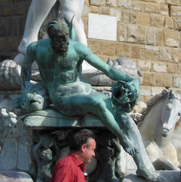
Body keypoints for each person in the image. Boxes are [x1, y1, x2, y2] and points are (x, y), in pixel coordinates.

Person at [20, 18, 156, 181]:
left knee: (122, 114)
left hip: (84, 90)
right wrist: (26, 90)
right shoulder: (36, 49)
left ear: (69, 34)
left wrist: (130, 80)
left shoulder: (77, 49)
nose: (61, 42)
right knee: (97, 103)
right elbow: (25, 69)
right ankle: (123, 139)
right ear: (50, 37)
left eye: (64, 38)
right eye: (57, 38)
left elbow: (108, 70)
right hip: (63, 98)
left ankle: (142, 166)